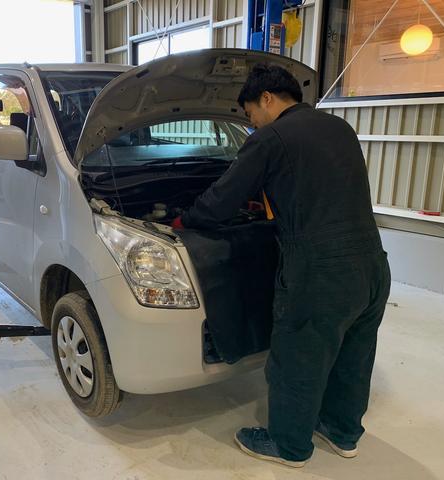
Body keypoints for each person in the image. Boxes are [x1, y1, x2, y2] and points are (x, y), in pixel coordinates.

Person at [172, 64, 391, 468]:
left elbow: (223, 199)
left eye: (249, 112)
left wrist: (186, 221)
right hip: (373, 263)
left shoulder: (271, 137)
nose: (250, 122)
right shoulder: (338, 128)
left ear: (267, 99)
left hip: (320, 270)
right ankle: (342, 432)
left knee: (299, 354)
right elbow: (317, 186)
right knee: (353, 353)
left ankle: (289, 445)